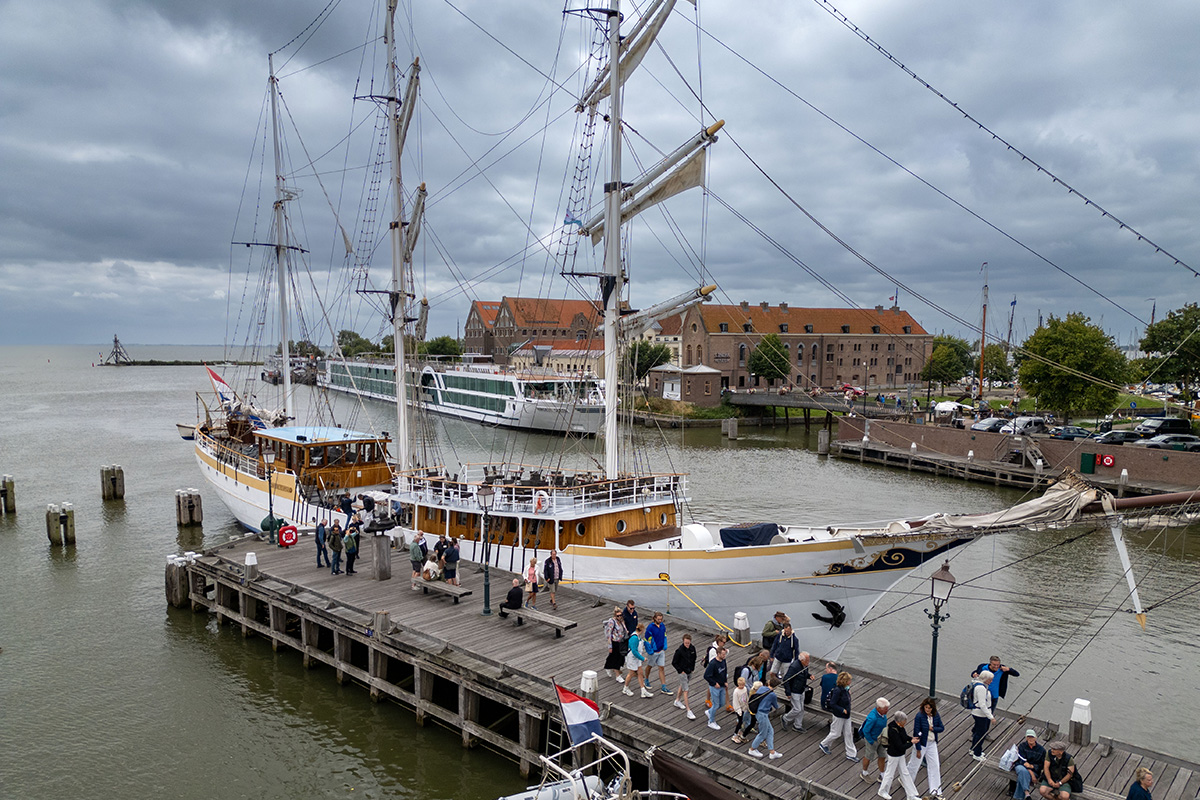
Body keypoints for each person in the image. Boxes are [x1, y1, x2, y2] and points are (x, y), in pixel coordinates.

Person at [878, 710, 920, 800]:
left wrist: (911, 738)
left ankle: (911, 795)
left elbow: (904, 737)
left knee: (905, 773)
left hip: (900, 755)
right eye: (904, 720)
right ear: (899, 721)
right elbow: (900, 746)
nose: (905, 722)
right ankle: (882, 791)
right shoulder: (892, 731)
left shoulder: (900, 727)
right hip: (894, 755)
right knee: (890, 773)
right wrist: (911, 742)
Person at [909, 697, 945, 800]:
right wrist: (918, 750)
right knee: (914, 764)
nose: (927, 709)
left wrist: (932, 728)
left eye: (929, 708)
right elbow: (916, 732)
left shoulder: (936, 715)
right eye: (926, 707)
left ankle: (936, 790)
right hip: (921, 743)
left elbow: (941, 728)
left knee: (935, 765)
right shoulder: (919, 716)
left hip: (932, 743)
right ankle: (907, 783)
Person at [818, 671, 857, 760]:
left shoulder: (846, 690)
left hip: (847, 715)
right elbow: (833, 703)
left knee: (848, 734)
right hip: (839, 715)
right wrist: (842, 710)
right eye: (849, 680)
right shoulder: (837, 690)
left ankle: (851, 754)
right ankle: (824, 744)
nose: (850, 682)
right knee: (836, 733)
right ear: (845, 681)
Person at [748, 675, 782, 759]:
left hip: (759, 713)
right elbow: (776, 706)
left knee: (770, 731)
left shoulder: (762, 688)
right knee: (763, 733)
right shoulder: (772, 695)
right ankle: (752, 749)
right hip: (762, 714)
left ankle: (772, 752)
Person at [859, 697, 890, 782]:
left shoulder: (883, 714)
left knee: (882, 756)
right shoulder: (873, 718)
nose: (887, 710)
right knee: (869, 756)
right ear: (879, 708)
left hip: (881, 739)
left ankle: (882, 774)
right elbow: (866, 730)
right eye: (885, 709)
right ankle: (864, 772)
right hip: (873, 740)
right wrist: (871, 741)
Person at [780, 651, 811, 732]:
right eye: (807, 660)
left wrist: (809, 676)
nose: (808, 662)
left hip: (801, 689)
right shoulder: (794, 667)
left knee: (801, 709)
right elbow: (786, 679)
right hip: (794, 691)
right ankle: (785, 718)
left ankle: (797, 725)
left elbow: (804, 673)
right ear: (802, 660)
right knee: (797, 709)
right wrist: (788, 692)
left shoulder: (804, 666)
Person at [1012, 729, 1046, 800]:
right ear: (1026, 738)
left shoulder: (1042, 750)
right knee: (1022, 770)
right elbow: (1021, 760)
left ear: (1035, 738)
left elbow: (1042, 765)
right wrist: (1031, 773)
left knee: (1022, 776)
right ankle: (1027, 793)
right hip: (1021, 766)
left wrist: (1032, 766)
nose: (1030, 739)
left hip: (1034, 770)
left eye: (1032, 737)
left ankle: (1020, 797)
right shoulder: (1022, 746)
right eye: (1028, 737)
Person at [969, 671, 995, 760]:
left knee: (978, 732)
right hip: (980, 714)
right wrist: (991, 717)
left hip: (979, 713)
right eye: (990, 679)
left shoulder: (978, 684)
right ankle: (977, 753)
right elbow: (982, 704)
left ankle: (973, 749)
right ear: (985, 679)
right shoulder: (981, 688)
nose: (991, 681)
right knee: (981, 734)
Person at [671, 632, 697, 720]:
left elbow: (694, 658)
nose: (687, 645)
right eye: (685, 643)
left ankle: (677, 700)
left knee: (682, 685)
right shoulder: (679, 651)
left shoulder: (692, 648)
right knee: (686, 690)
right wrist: (680, 671)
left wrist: (692, 668)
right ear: (683, 641)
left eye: (688, 643)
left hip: (689, 671)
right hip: (682, 672)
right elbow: (674, 662)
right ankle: (688, 710)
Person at [622, 623, 652, 698]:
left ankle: (643, 691)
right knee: (631, 673)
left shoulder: (639, 637)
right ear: (642, 630)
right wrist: (642, 658)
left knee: (640, 673)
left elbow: (641, 643)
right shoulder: (634, 638)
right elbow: (634, 651)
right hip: (632, 658)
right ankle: (625, 688)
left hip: (637, 658)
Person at [703, 646, 728, 730]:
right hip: (715, 687)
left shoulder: (723, 661)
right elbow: (706, 676)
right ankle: (711, 721)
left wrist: (725, 681)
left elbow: (725, 671)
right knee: (716, 704)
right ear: (718, 654)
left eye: (725, 654)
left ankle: (710, 712)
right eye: (723, 654)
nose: (724, 656)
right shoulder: (713, 664)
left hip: (722, 685)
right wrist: (714, 683)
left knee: (722, 703)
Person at [645, 611, 670, 694]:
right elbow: (646, 640)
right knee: (649, 666)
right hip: (654, 652)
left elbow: (664, 635)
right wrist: (650, 650)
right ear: (655, 618)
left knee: (661, 668)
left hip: (661, 650)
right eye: (658, 619)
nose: (660, 621)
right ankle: (646, 679)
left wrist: (665, 644)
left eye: (661, 619)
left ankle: (664, 686)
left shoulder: (662, 626)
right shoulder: (650, 628)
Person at [603, 606, 627, 682]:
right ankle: (617, 675)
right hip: (614, 642)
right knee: (616, 658)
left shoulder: (622, 621)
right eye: (618, 616)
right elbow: (608, 634)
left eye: (621, 615)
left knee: (616, 657)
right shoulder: (612, 622)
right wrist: (610, 646)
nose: (619, 617)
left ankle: (608, 666)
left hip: (621, 641)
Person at [730, 676, 751, 744]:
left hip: (744, 707)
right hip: (739, 709)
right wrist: (738, 711)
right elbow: (735, 702)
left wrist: (747, 704)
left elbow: (746, 697)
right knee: (740, 722)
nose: (742, 686)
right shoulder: (736, 692)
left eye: (743, 684)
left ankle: (739, 731)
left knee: (742, 721)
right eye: (740, 685)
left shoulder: (745, 689)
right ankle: (734, 735)